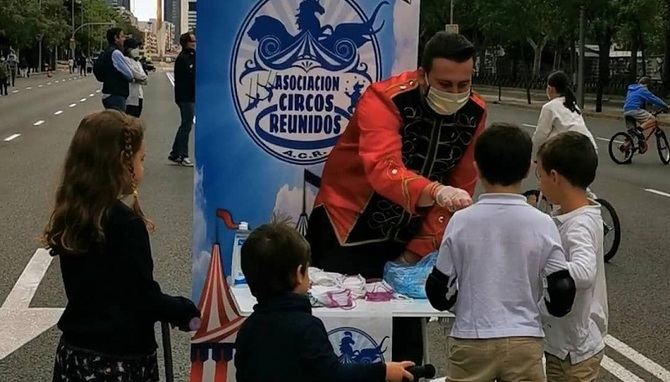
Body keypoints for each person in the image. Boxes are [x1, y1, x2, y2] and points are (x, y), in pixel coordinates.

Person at [305, 32, 487, 364]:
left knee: (405, 337)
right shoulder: (384, 99)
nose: (457, 93)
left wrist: (416, 251)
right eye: (445, 85)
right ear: (423, 74)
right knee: (341, 327)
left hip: (409, 232)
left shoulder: (475, 112)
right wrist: (435, 191)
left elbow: (462, 185)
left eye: (464, 84)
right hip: (345, 224)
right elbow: (382, 167)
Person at [44, 110, 201, 382]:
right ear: (122, 163)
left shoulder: (74, 214)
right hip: (119, 361)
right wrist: (183, 310)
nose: (143, 168)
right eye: (141, 159)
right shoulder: (126, 225)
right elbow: (142, 298)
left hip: (75, 354)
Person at [425, 123, 576, 382]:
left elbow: (440, 290)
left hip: (471, 335)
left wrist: (458, 305)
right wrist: (538, 307)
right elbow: (561, 290)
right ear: (529, 168)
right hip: (524, 338)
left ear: (477, 168)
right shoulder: (542, 222)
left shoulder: (461, 221)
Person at [234, 222, 415, 382]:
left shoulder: (248, 328)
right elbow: (331, 374)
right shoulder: (307, 327)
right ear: (299, 274)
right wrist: (383, 371)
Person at [536, 132, 608, 382]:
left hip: (573, 351)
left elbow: (584, 272)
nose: (540, 183)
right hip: (569, 343)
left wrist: (540, 266)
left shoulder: (578, 225)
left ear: (554, 177)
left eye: (540, 175)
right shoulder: (576, 213)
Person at [532, 71, 597, 158]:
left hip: (573, 152)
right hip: (591, 149)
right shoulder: (573, 105)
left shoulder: (549, 107)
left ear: (551, 89)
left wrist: (533, 156)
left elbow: (540, 135)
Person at [169, 32, 196, 167]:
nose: (194, 43)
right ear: (186, 43)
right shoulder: (184, 58)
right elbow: (191, 77)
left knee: (186, 124)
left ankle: (175, 153)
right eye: (192, 41)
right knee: (186, 124)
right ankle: (183, 154)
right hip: (185, 96)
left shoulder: (192, 56)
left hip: (190, 96)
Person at [623, 77, 669, 152]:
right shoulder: (643, 89)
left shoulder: (632, 89)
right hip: (635, 110)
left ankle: (625, 148)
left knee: (632, 133)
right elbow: (654, 99)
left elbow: (638, 102)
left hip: (626, 111)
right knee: (653, 120)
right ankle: (639, 130)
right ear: (647, 84)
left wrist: (648, 112)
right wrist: (665, 106)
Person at [95, 28, 134, 111]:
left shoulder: (106, 51)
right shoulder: (116, 53)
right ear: (116, 38)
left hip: (108, 94)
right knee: (118, 122)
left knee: (111, 122)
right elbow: (129, 75)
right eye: (122, 36)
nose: (124, 39)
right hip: (116, 96)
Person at [123, 38, 148, 117]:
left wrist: (138, 79)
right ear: (128, 49)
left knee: (136, 120)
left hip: (139, 95)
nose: (136, 50)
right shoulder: (125, 60)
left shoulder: (137, 62)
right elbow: (135, 74)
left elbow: (144, 78)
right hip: (129, 97)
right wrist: (138, 78)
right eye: (134, 48)